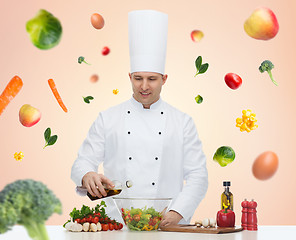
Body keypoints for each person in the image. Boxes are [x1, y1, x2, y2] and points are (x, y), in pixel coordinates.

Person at [71, 10, 208, 227]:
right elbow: (82, 161)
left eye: (152, 79)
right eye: (138, 79)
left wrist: (177, 212)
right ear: (130, 77)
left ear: (164, 79)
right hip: (117, 225)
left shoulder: (182, 122)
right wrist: (87, 174)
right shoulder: (108, 118)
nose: (144, 86)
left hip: (167, 225)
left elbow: (198, 176)